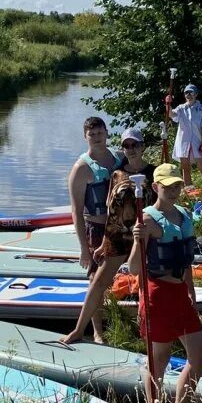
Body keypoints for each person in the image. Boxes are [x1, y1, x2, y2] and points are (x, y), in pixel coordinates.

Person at [128, 163, 202, 403]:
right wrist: (137, 240)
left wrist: (192, 292)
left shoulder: (185, 216)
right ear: (155, 188)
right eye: (167, 186)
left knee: (199, 356)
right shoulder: (148, 220)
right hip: (157, 294)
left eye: (177, 185)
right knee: (159, 360)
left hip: (180, 293)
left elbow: (186, 262)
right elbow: (134, 268)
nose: (173, 190)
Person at [62, 127, 155, 345]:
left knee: (146, 281)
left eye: (135, 145)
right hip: (119, 235)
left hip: (145, 235)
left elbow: (161, 205)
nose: (131, 149)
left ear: (142, 146)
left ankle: (148, 330)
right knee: (99, 281)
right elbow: (112, 210)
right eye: (126, 146)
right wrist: (104, 242)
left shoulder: (154, 172)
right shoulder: (118, 173)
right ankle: (79, 329)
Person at [66, 116, 123, 342]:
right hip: (97, 229)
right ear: (85, 137)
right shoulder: (81, 169)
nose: (97, 138)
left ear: (107, 133)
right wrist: (84, 249)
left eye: (100, 133)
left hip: (121, 227)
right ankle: (97, 331)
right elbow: (76, 211)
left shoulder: (118, 159)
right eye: (92, 135)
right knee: (95, 281)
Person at [171, 84, 202, 192]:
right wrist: (168, 105)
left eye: (191, 92)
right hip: (183, 142)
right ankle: (190, 194)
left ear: (196, 94)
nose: (189, 95)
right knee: (186, 168)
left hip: (197, 141)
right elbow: (172, 116)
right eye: (186, 93)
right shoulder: (181, 108)